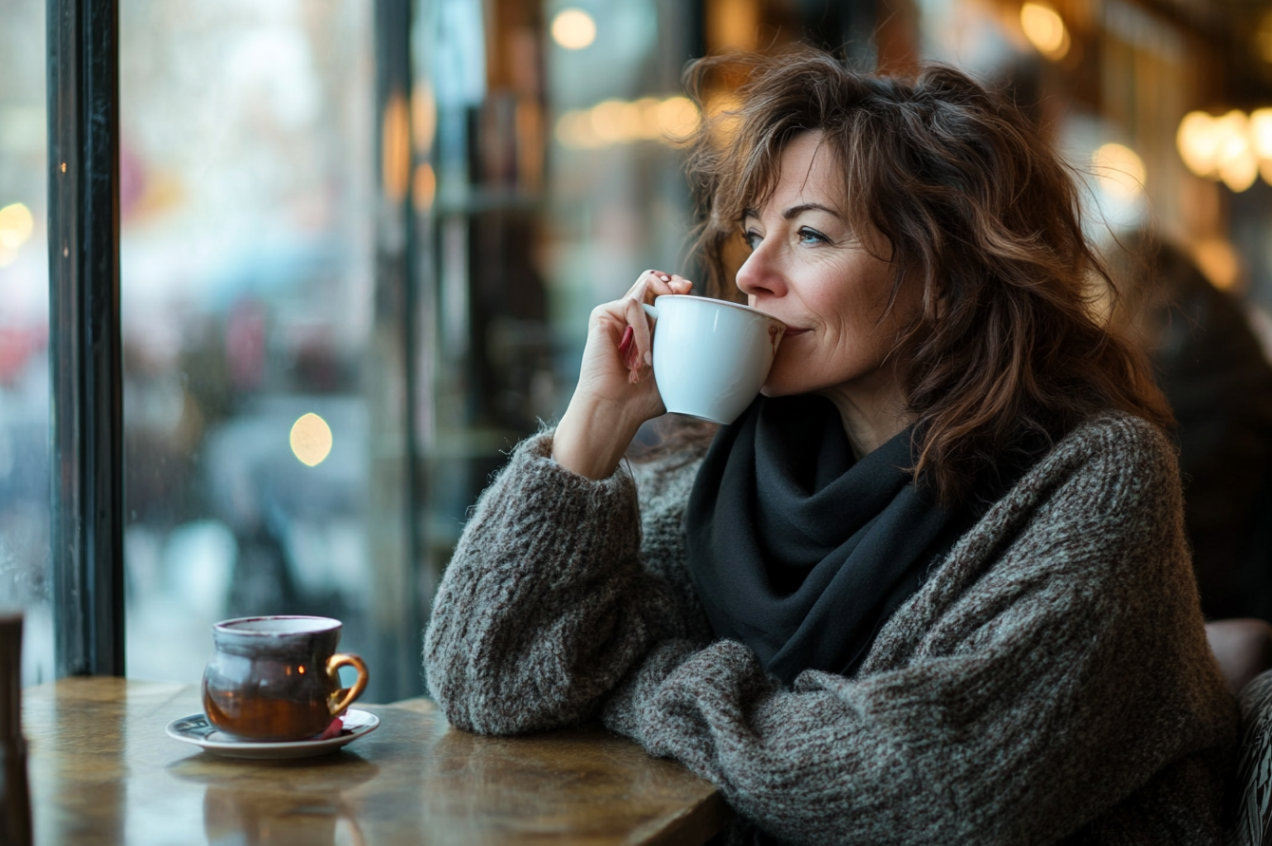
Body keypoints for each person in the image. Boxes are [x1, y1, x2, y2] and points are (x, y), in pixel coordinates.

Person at [424, 48, 1237, 845]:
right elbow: (482, 676)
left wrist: (631, 675)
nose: (750, 275)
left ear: (945, 274)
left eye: (809, 237)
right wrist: (595, 424)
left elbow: (926, 786)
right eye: (752, 233)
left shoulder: (1094, 479)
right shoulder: (724, 470)